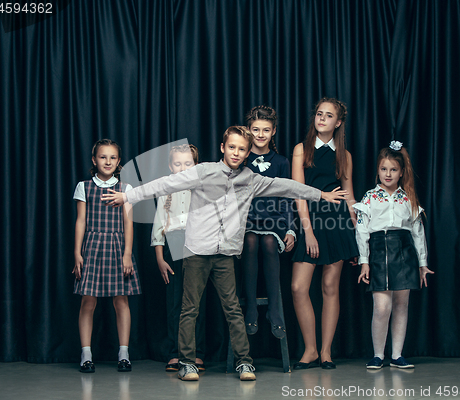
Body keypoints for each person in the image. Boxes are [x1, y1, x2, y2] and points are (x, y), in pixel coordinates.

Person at [102, 126, 349, 381]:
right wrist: (129, 195)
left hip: (225, 254)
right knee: (189, 309)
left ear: (247, 153)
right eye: (232, 147)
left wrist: (320, 194)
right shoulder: (203, 172)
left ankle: (245, 362)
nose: (236, 152)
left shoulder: (250, 179)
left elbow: (284, 186)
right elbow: (166, 183)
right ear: (223, 147)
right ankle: (187, 362)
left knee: (232, 308)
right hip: (197, 250)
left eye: (242, 149)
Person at [291, 97, 359, 370]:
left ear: (338, 122)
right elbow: (299, 193)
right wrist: (308, 232)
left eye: (328, 115)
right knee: (298, 287)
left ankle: (326, 352)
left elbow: (350, 197)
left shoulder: (345, 155)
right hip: (311, 222)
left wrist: (358, 239)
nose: (321, 119)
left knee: (330, 288)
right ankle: (310, 350)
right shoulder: (301, 150)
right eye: (319, 114)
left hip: (337, 223)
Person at [354, 141, 434, 369]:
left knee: (401, 304)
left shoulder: (408, 198)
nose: (388, 174)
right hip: (378, 250)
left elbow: (418, 232)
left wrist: (422, 263)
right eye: (383, 169)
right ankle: (378, 355)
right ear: (378, 170)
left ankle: (397, 355)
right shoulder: (369, 197)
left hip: (404, 250)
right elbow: (361, 231)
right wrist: (364, 261)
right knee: (381, 307)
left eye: (393, 170)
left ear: (401, 172)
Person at [72, 139, 141, 373]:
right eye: (103, 157)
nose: (108, 161)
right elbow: (81, 221)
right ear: (94, 160)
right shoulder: (84, 186)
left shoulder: (126, 188)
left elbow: (128, 223)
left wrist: (127, 253)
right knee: (88, 301)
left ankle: (124, 353)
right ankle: (86, 354)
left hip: (117, 246)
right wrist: (77, 253)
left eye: (113, 157)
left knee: (121, 300)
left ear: (119, 161)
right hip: (92, 247)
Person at [150, 144, 207, 372]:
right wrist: (160, 258)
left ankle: (197, 353)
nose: (182, 168)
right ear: (170, 166)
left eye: (187, 163)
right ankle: (176, 353)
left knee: (197, 302)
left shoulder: (203, 188)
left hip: (198, 244)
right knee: (175, 302)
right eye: (177, 164)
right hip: (174, 243)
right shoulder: (166, 189)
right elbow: (158, 225)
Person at [242, 105, 294, 339]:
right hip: (248, 221)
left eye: (266, 130)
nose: (260, 135)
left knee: (269, 244)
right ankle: (251, 308)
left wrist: (291, 228)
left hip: (273, 221)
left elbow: (287, 197)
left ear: (273, 132)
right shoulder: (240, 158)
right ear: (249, 131)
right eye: (256, 129)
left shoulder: (281, 162)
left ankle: (275, 310)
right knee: (251, 241)